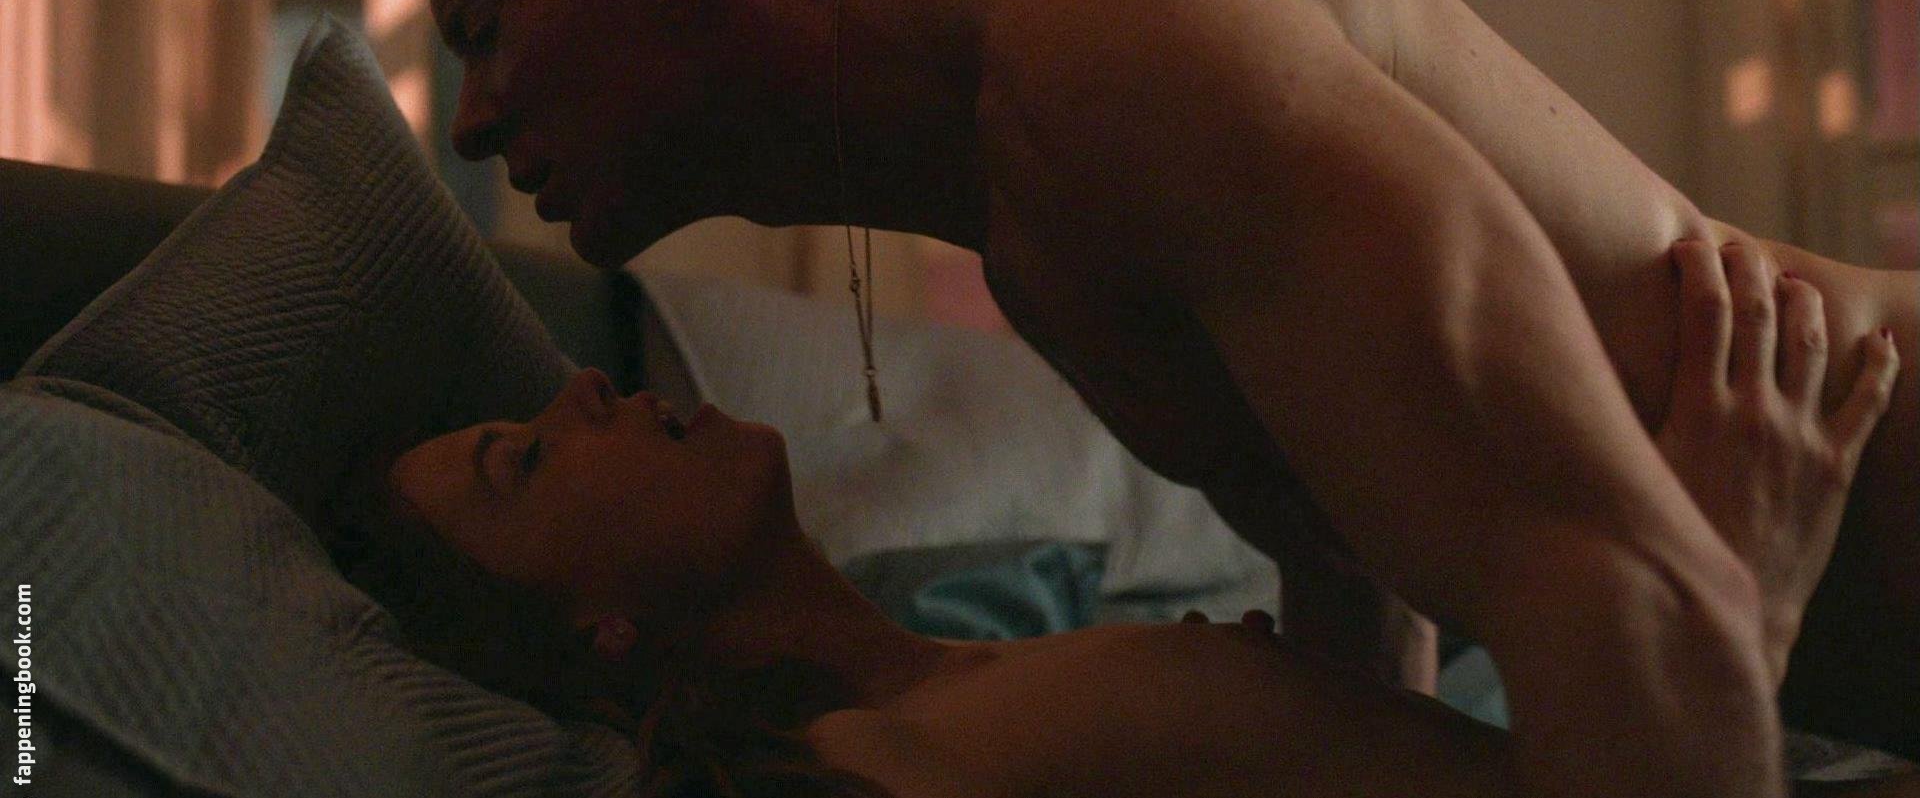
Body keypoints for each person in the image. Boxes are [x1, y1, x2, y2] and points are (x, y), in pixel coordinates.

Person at [402, 0, 1920, 793]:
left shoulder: (1104, 43)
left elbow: (1643, 604)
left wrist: (1732, 607)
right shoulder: (1032, 235)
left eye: (482, 29)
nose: (468, 121)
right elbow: (1368, 630)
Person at [329, 239, 1903, 798]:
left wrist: (1334, 548)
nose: (580, 393)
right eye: (521, 462)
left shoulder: (952, 683)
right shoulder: (893, 769)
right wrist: (1738, 593)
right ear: (596, 633)